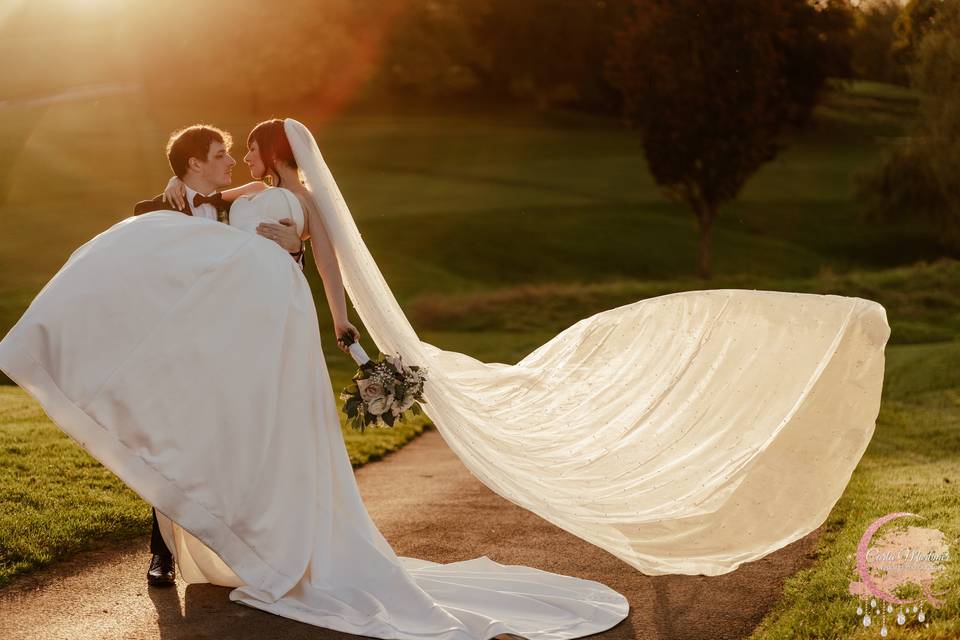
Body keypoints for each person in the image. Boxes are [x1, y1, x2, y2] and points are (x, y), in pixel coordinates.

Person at [0, 117, 891, 638]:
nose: (237, 162)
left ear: (272, 160)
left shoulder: (292, 201)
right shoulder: (217, 198)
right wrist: (191, 214)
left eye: (247, 152)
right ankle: (213, 532)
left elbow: (326, 271)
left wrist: (347, 334)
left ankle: (282, 546)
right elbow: (182, 221)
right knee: (223, 434)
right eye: (227, 156)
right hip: (229, 337)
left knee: (278, 441)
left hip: (276, 332)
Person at [130, 124, 326, 587]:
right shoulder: (153, 211)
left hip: (231, 349)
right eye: (221, 154)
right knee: (169, 449)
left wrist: (297, 246)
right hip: (177, 350)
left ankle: (231, 554)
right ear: (195, 163)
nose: (230, 160)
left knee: (226, 450)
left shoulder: (234, 206)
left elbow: (269, 193)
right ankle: (162, 553)